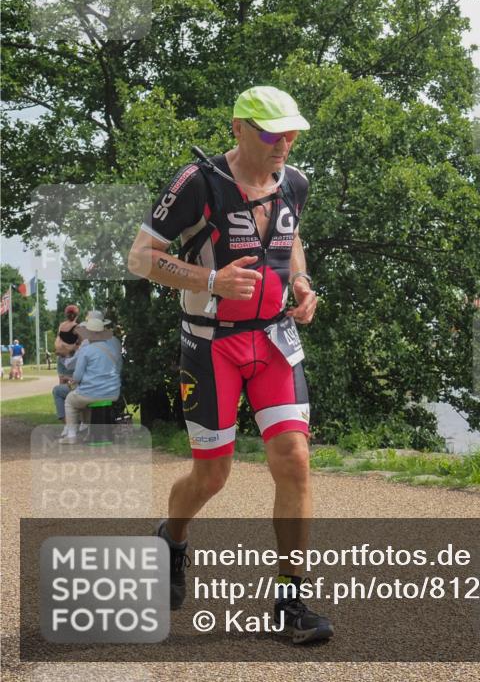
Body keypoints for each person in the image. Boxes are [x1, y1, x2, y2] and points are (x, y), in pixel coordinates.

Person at [127, 86, 326, 643]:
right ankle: (171, 537)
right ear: (239, 127)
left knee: (295, 461)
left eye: (291, 133)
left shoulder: (295, 182)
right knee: (213, 475)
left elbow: (292, 237)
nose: (283, 143)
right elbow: (140, 257)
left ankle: (290, 600)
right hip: (211, 344)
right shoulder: (199, 182)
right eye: (271, 133)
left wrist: (301, 281)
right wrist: (210, 279)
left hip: (274, 340)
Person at [58, 311, 122, 444]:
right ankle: (90, 433)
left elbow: (77, 376)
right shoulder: (114, 345)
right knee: (86, 400)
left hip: (93, 392)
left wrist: (73, 380)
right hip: (114, 391)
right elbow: (119, 367)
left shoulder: (87, 349)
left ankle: (71, 436)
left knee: (70, 401)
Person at [55, 304, 81, 384]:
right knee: (71, 382)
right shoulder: (77, 327)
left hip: (62, 357)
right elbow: (80, 343)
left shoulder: (62, 325)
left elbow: (58, 339)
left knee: (63, 381)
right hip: (69, 358)